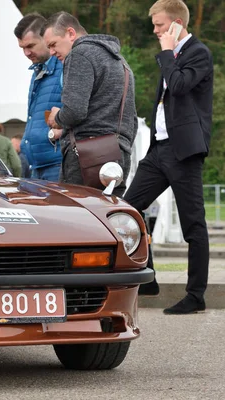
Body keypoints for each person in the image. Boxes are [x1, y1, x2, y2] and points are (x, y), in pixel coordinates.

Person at [125, 0, 213, 314]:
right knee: (127, 208)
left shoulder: (198, 53)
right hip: (159, 150)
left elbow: (178, 86)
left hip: (184, 151)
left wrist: (167, 51)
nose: (155, 31)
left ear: (176, 24)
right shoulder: (172, 56)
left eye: (160, 25)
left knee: (194, 226)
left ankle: (196, 295)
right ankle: (147, 278)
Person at [43, 12, 137, 197]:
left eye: (53, 44)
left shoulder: (79, 54)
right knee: (109, 220)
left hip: (86, 156)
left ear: (71, 33)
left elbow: (74, 111)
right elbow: (131, 119)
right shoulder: (120, 61)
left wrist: (57, 117)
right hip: (119, 155)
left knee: (77, 220)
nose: (52, 53)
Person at [14, 13, 63, 182]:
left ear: (46, 37)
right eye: (22, 48)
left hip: (58, 164)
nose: (26, 53)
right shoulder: (38, 71)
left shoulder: (66, 67)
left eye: (30, 46)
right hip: (36, 166)